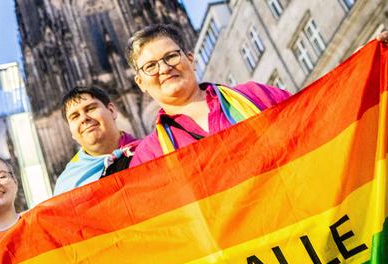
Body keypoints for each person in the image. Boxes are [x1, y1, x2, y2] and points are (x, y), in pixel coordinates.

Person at [125, 24, 292, 166]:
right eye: (150, 66)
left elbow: (309, 126)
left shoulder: (255, 96)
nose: (165, 68)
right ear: (140, 83)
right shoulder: (148, 157)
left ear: (191, 59)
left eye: (171, 56)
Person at [54, 85, 139, 195]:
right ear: (71, 132)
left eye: (90, 109)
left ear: (112, 110)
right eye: (75, 116)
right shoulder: (66, 185)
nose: (84, 118)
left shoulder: (149, 151)